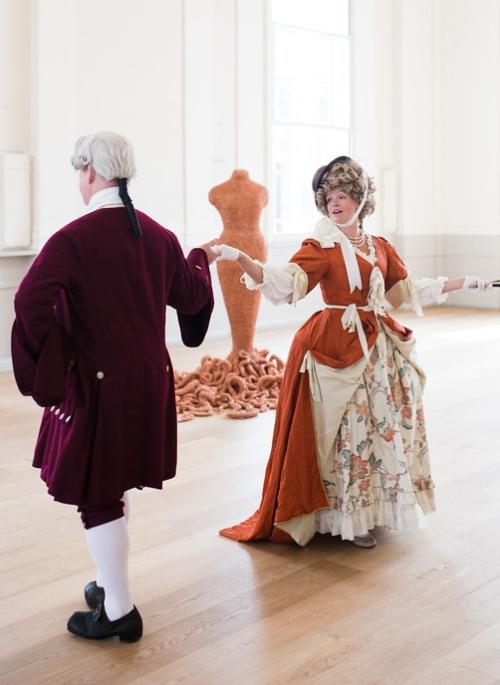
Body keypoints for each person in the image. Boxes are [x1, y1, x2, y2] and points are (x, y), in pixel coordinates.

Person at [217, 156, 490, 549]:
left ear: (361, 199)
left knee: (376, 425)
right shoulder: (321, 246)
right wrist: (242, 258)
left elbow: (404, 291)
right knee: (345, 428)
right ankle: (345, 514)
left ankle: (371, 508)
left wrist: (466, 282)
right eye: (328, 196)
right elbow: (284, 284)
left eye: (342, 194)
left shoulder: (379, 246)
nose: (334, 202)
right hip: (334, 343)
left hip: (374, 343)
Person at [11, 132, 219, 641]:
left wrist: (54, 356)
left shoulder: (72, 238)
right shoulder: (158, 234)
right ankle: (109, 583)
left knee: (98, 493)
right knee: (115, 480)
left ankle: (119, 612)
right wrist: (199, 258)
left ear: (89, 173)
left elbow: (28, 304)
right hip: (151, 380)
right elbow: (191, 299)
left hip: (98, 384)